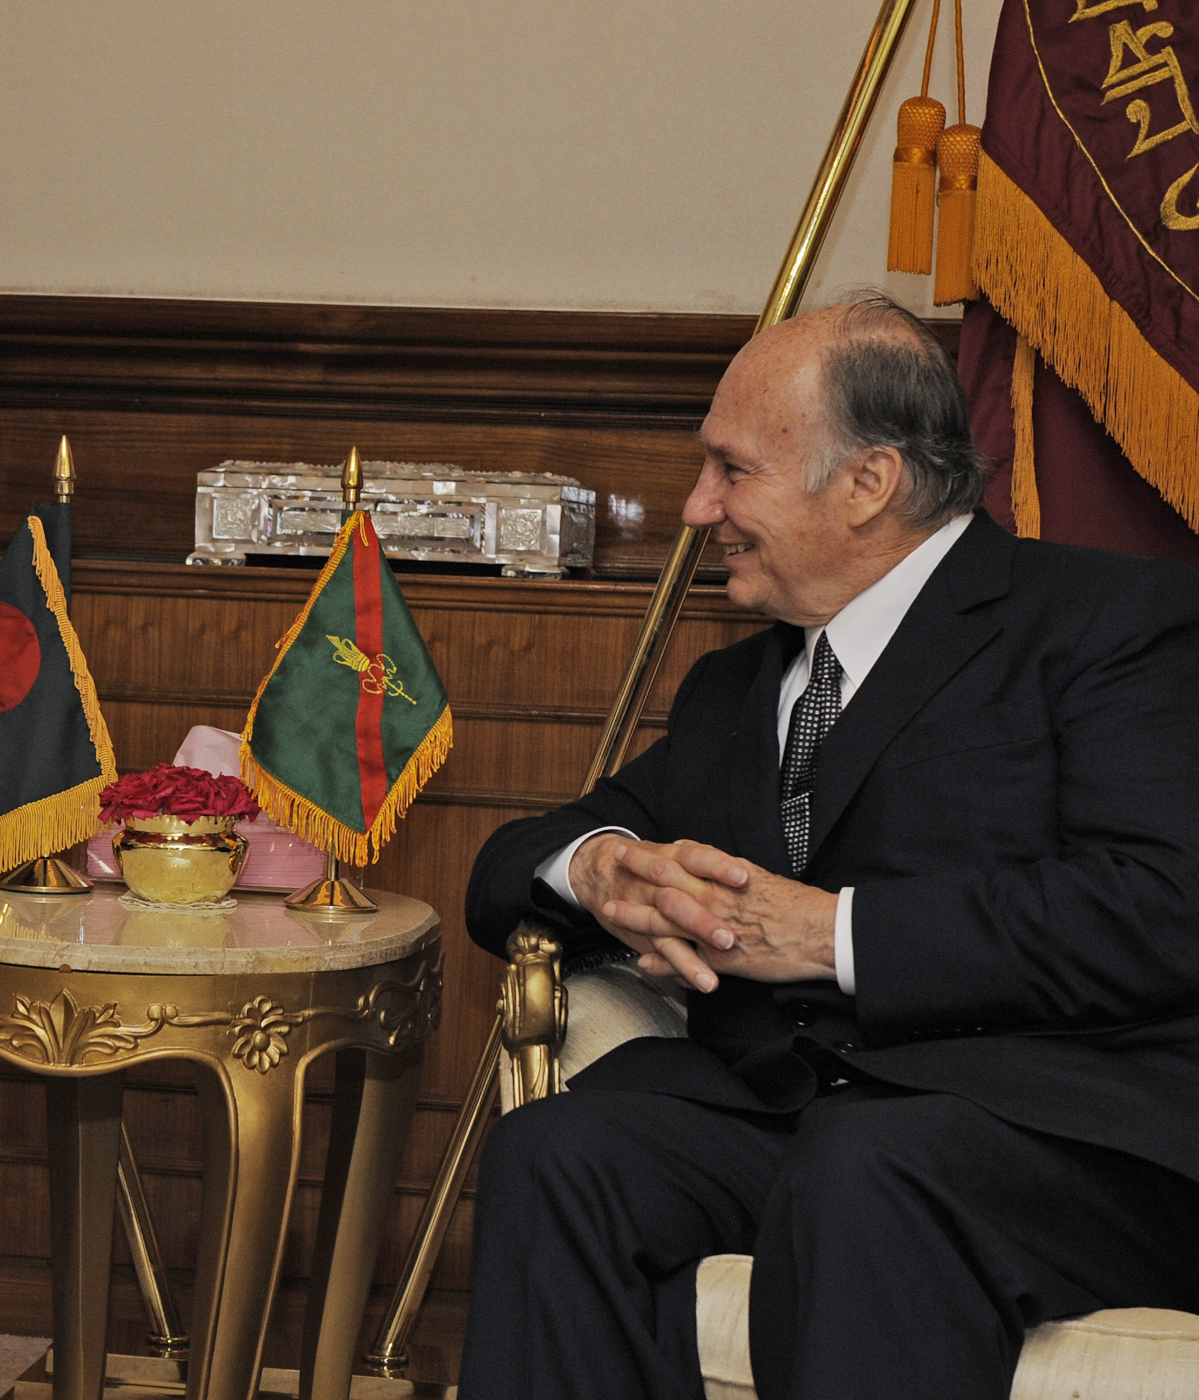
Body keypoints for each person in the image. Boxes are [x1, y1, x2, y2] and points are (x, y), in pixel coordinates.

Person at [457, 292, 1199, 1400]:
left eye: (732, 469)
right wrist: (604, 869)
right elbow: (516, 857)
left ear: (869, 482)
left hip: (1060, 1132)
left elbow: (1159, 904)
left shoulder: (1107, 623)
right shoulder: (734, 687)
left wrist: (834, 934)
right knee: (559, 1153)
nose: (699, 505)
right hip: (797, 1115)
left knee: (861, 1170)